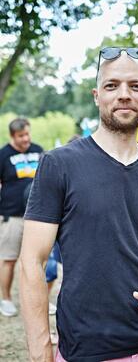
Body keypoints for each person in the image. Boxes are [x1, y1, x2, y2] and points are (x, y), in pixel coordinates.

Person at [20, 47, 138, 362]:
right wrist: (41, 349)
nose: (124, 94)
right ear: (97, 95)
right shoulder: (59, 164)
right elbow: (32, 261)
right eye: (113, 86)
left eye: (135, 86)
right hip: (88, 350)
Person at [0, 118, 43, 316]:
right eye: (21, 136)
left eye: (27, 134)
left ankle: (38, 299)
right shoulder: (3, 155)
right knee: (8, 259)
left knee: (37, 260)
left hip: (38, 216)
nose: (26, 139)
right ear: (12, 136)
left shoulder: (38, 149)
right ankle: (6, 299)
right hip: (12, 215)